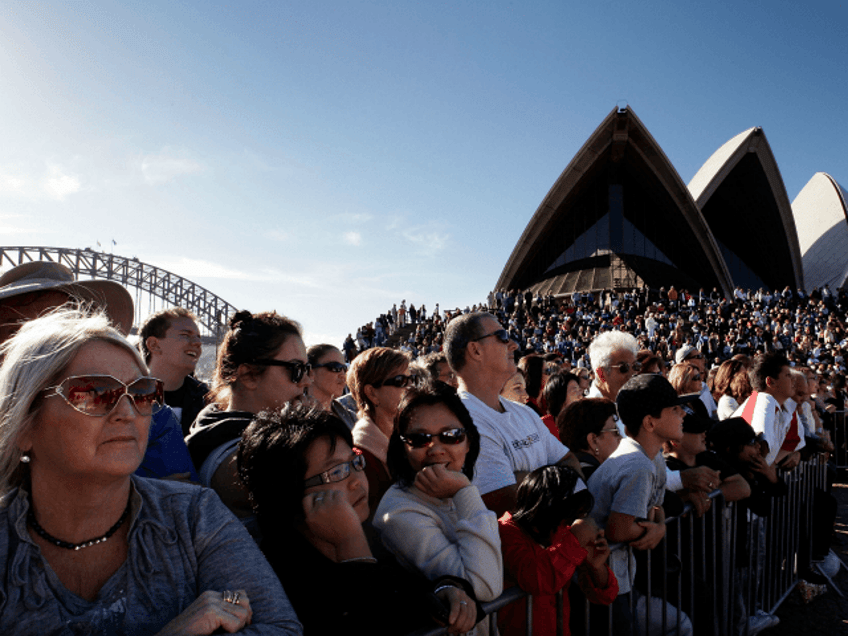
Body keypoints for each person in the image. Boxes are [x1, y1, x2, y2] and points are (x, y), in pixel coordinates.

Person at [0, 308, 300, 635]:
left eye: (142, 393)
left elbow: (271, 620)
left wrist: (225, 600)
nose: (128, 412)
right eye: (96, 393)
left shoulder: (194, 514)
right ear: (23, 424)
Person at [237, 405, 479, 636]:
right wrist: (351, 545)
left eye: (354, 462)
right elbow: (373, 623)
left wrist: (446, 589)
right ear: (287, 492)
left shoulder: (371, 537)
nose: (356, 480)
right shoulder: (275, 580)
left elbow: (400, 591)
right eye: (336, 472)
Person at [375, 385, 502, 635]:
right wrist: (465, 493)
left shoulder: (453, 485)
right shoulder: (399, 512)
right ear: (402, 447)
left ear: (468, 441)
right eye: (419, 439)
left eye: (451, 435)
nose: (435, 448)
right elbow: (484, 586)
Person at [588, 374, 696, 636]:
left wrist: (657, 523)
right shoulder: (637, 465)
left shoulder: (651, 457)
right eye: (673, 409)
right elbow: (619, 530)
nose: (683, 413)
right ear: (650, 422)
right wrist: (657, 530)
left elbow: (653, 508)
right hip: (604, 580)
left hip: (620, 576)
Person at [444, 312, 582, 517]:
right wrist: (555, 475)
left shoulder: (524, 412)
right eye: (502, 336)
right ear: (475, 350)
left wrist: (528, 478)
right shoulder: (462, 420)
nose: (513, 345)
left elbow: (569, 459)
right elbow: (505, 501)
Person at [185, 310, 312, 528]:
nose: (307, 380)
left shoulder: (213, 427)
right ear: (249, 375)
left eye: (308, 369)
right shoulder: (250, 457)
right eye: (296, 369)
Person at [498, 466, 618, 636]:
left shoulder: (558, 529)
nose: (569, 524)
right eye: (569, 516)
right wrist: (576, 539)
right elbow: (538, 580)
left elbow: (606, 596)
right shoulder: (505, 533)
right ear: (549, 509)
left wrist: (596, 566)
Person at [346, 346, 413, 514]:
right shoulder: (360, 457)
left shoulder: (411, 437)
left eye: (411, 379)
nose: (410, 387)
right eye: (400, 381)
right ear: (372, 393)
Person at [138, 307, 208, 436]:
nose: (198, 343)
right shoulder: (123, 397)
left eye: (198, 337)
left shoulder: (208, 400)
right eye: (185, 335)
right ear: (154, 345)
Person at [732, 352, 802, 468]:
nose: (794, 380)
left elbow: (795, 442)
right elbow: (760, 449)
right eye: (788, 375)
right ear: (770, 382)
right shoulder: (765, 400)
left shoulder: (784, 406)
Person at [558, 398, 622, 480]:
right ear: (593, 441)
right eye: (615, 431)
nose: (620, 438)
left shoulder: (566, 475)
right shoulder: (603, 482)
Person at [306, 344, 356, 428]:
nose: (343, 375)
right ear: (311, 373)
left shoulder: (351, 417)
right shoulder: (293, 418)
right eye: (335, 367)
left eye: (344, 369)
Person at [586, 331, 641, 404]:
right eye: (624, 368)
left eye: (635, 366)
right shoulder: (584, 412)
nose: (633, 374)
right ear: (601, 374)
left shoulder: (639, 404)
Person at [674, 345, 717, 419]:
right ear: (684, 361)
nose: (703, 359)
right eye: (698, 357)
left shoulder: (703, 385)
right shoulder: (675, 395)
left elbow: (714, 412)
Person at [540, 371, 583, 440]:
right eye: (574, 391)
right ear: (560, 397)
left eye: (579, 390)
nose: (580, 395)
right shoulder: (543, 425)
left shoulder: (584, 422)